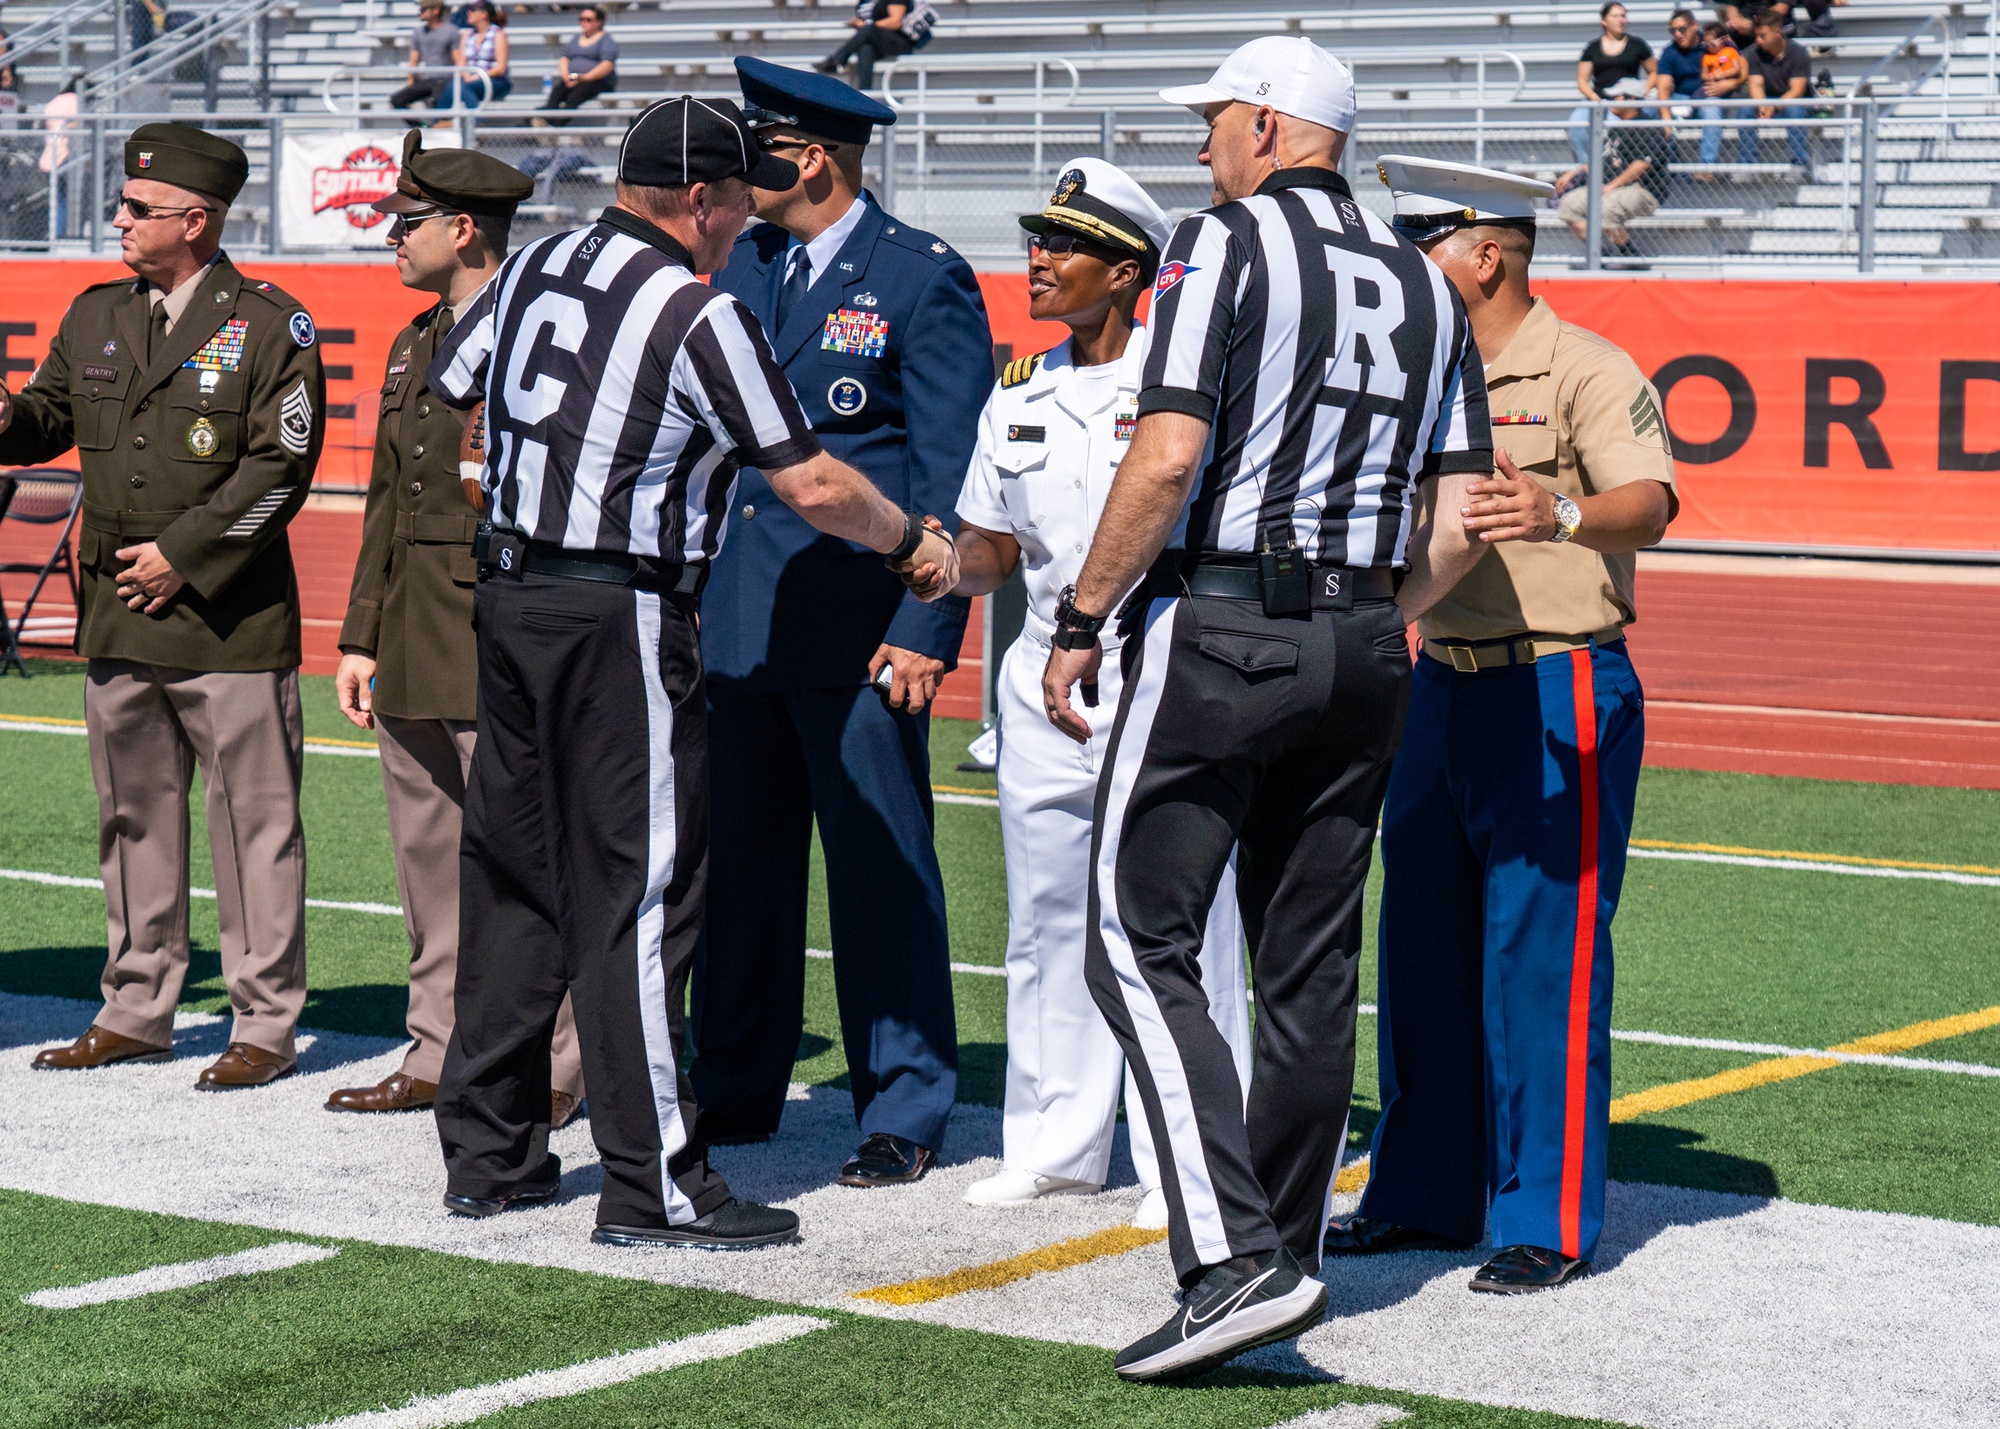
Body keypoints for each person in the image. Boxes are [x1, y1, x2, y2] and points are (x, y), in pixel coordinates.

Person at [424, 94, 961, 1247]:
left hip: (511, 594)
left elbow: (452, 381)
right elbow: (812, 481)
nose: (736, 230)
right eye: (731, 205)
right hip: (617, 605)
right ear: (705, 200)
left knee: (515, 874)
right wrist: (912, 546)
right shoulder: (695, 308)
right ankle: (658, 1182)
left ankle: (490, 1153)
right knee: (644, 889)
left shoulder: (537, 264)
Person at [1041, 36, 1493, 1382]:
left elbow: (1171, 450)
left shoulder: (1224, 243)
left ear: (1265, 123)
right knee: (1307, 966)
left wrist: (1080, 617)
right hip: (1367, 634)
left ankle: (1234, 1260)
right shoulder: (1428, 280)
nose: (1201, 150)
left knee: (1133, 933)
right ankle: (1281, 1252)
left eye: (1213, 125)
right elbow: (1465, 512)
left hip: (1230, 620)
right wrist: (1371, 618)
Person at [1327, 155, 1676, 1293]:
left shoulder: (1582, 365)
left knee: (1543, 957)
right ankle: (1422, 1193)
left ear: (1484, 255)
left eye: (1421, 241)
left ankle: (1544, 1217)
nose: (1401, 259)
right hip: (1437, 682)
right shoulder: (1412, 369)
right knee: (1419, 949)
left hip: (1554, 684)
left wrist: (1557, 507)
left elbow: (1652, 504)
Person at [689, 57, 992, 1191]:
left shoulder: (919, 277)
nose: (737, 168)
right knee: (739, 872)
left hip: (866, 631)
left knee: (878, 871)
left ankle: (903, 1105)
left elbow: (950, 471)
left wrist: (929, 627)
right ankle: (731, 1082)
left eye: (756, 146)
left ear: (808, 154)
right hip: (739, 622)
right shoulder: (738, 264)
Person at [948, 158, 1253, 1229]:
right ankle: (1053, 1144)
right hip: (1037, 679)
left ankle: (1190, 1153)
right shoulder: (1018, 387)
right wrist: (934, 560)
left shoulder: (1179, 386)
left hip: (1158, 669)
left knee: (1180, 917)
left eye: (1061, 244)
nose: (1036, 259)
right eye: (1035, 238)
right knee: (1040, 918)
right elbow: (991, 543)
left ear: (1126, 271)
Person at [1, 124, 325, 1089]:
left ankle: (264, 1023)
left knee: (251, 824)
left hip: (228, 617)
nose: (120, 220)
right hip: (116, 610)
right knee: (132, 816)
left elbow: (284, 468)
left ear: (197, 218)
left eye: (138, 210)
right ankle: (138, 1005)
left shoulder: (271, 324)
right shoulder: (97, 312)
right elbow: (49, 417)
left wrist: (185, 556)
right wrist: (8, 417)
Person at [324, 133, 587, 1122]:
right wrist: (360, 634)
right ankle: (436, 1049)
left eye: (408, 224)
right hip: (413, 642)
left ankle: (559, 1065)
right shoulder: (413, 339)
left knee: (529, 860)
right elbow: (389, 498)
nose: (392, 239)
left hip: (505, 632)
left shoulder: (545, 333)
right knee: (428, 863)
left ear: (462, 228)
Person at [1553, 78, 1669, 259]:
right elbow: (1603, 159)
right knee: (1568, 205)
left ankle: (1630, 256)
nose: (1612, 101)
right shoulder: (1618, 128)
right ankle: (1600, 257)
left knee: (1604, 208)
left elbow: (1642, 164)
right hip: (1610, 187)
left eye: (1617, 97)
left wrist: (1611, 187)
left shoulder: (1647, 126)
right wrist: (1574, 173)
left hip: (1644, 190)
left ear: (1631, 100)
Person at [1568, 3, 1656, 164]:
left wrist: (1645, 90)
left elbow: (1654, 72)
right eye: (1616, 16)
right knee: (1576, 123)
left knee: (1614, 129)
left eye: (1623, 16)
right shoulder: (1592, 48)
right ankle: (1587, 167)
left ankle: (1612, 169)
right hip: (1598, 100)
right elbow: (1582, 80)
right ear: (1604, 21)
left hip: (1625, 102)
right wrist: (1595, 98)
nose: (1621, 20)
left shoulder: (1637, 45)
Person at [1744, 9, 1813, 171]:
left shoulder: (1798, 53)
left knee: (1795, 110)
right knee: (1745, 111)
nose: (1758, 40)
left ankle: (1800, 164)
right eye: (1756, 36)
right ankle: (1747, 165)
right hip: (1768, 101)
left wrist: (1773, 107)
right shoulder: (1754, 54)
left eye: (1762, 36)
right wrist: (1762, 106)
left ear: (1777, 32)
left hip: (1794, 103)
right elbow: (1755, 84)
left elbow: (1797, 90)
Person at [535, 5, 616, 125]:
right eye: (581, 19)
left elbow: (607, 65)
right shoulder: (577, 38)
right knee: (557, 93)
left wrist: (585, 77)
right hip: (574, 77)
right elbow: (564, 58)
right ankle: (545, 119)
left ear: (598, 22)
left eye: (588, 20)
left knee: (573, 97)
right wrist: (566, 76)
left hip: (597, 80)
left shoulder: (606, 41)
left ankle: (554, 125)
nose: (583, 22)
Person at [815, 1, 914, 90]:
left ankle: (837, 60)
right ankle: (865, 93)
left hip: (900, 41)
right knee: (865, 48)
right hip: (879, 41)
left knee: (868, 31)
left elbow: (896, 22)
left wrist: (866, 27)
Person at [1697, 18, 1750, 173]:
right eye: (1705, 45)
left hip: (1733, 92)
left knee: (1744, 109)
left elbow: (1737, 69)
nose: (1709, 47)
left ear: (1723, 40)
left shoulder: (1730, 51)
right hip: (1713, 92)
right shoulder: (1706, 57)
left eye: (1712, 44)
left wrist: (1723, 76)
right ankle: (1706, 167)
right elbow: (1704, 74)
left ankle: (1746, 164)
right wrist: (1712, 77)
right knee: (1710, 105)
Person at [389, 2, 460, 112]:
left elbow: (457, 57)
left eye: (423, 9)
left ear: (436, 10)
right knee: (397, 100)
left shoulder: (451, 31)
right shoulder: (419, 32)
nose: (420, 12)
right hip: (428, 79)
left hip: (446, 79)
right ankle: (422, 126)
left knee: (437, 100)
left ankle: (440, 125)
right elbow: (414, 58)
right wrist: (410, 78)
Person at [439, 0, 508, 111]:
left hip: (493, 80)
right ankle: (440, 121)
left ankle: (473, 121)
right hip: (470, 79)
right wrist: (467, 76)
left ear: (484, 14)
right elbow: (461, 63)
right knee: (451, 87)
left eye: (472, 10)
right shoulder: (468, 35)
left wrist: (477, 76)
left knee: (461, 87)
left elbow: (501, 68)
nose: (468, 13)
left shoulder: (498, 34)